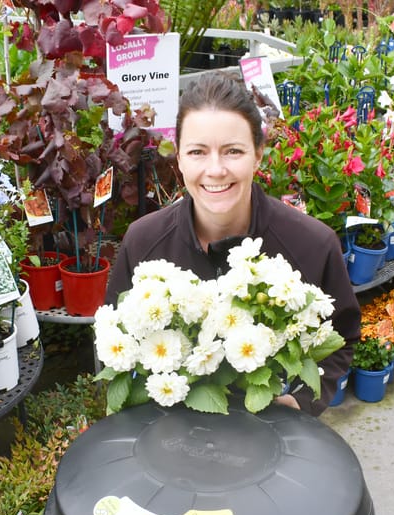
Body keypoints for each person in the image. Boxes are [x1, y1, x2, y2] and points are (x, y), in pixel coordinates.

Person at [105, 71, 360, 416]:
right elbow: (115, 337)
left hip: (269, 433)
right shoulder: (144, 242)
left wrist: (302, 401)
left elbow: (342, 337)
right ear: (178, 158)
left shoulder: (312, 245)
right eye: (197, 152)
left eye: (233, 151)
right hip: (172, 432)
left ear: (258, 154)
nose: (215, 169)